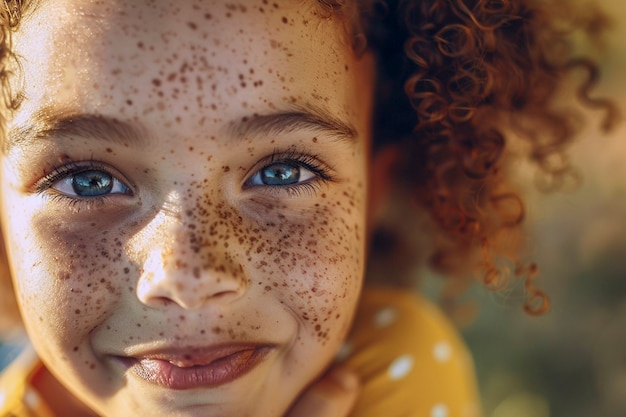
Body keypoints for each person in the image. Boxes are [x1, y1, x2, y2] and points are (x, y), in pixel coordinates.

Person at [0, 0, 615, 416]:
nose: (190, 278)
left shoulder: (393, 372)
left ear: (374, 192)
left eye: (281, 171)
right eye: (85, 181)